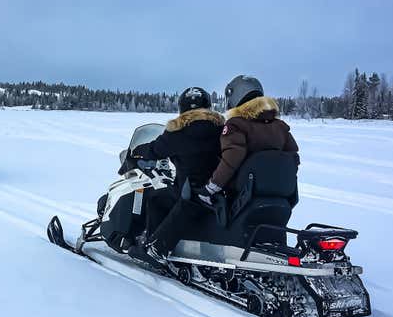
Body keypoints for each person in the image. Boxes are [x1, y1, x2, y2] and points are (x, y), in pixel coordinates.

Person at [127, 87, 224, 267]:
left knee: (156, 198)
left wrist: (137, 152)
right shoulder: (220, 129)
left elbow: (155, 149)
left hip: (188, 191)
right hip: (216, 190)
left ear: (182, 108)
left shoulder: (179, 131)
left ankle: (155, 247)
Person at [198, 75, 299, 205]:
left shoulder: (236, 125)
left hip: (243, 198)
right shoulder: (280, 126)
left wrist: (212, 187)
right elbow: (293, 158)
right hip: (280, 198)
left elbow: (232, 158)